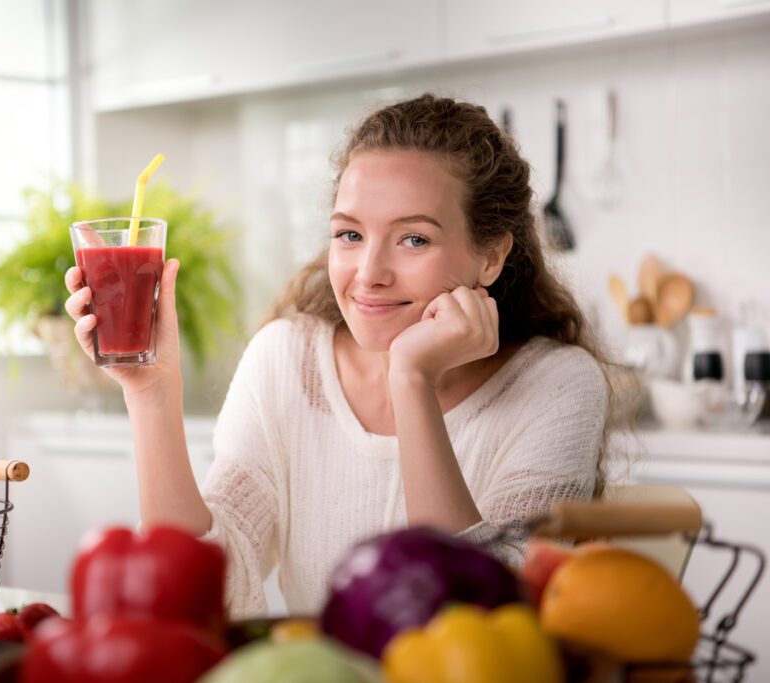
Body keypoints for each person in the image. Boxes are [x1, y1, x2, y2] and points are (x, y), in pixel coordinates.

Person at [64, 93, 612, 618]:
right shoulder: (287, 360)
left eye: (414, 240)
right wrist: (152, 394)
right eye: (350, 234)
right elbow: (198, 593)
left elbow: (479, 626)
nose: (369, 274)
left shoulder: (557, 385)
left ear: (490, 257)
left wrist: (412, 381)